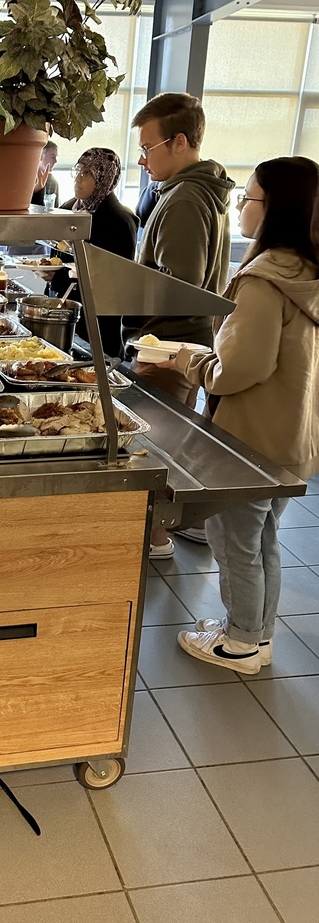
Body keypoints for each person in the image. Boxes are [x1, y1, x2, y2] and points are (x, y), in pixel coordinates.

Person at [164, 156, 319, 674]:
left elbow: (239, 369)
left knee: (233, 541)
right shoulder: (309, 273)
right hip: (293, 438)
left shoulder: (264, 279)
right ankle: (259, 634)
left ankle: (239, 643)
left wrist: (185, 358)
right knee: (264, 537)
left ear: (274, 209)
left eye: (247, 198)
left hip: (250, 441)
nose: (240, 207)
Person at [122, 92, 235, 558]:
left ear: (180, 141)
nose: (143, 160)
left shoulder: (187, 197)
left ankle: (153, 537)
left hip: (168, 345)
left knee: (152, 448)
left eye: (148, 148)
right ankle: (160, 530)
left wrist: (120, 280)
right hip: (178, 342)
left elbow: (180, 284)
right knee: (164, 443)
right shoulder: (192, 191)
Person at [46, 148, 138, 358]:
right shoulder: (68, 208)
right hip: (64, 315)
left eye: (87, 173)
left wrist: (60, 277)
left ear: (104, 178)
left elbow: (116, 279)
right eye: (77, 170)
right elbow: (55, 253)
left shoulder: (120, 220)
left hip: (98, 326)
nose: (78, 179)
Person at [31, 141, 60, 207]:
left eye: (56, 157)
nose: (55, 161)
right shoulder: (27, 177)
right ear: (40, 156)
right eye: (52, 157)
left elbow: (55, 210)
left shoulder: (53, 182)